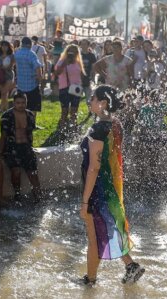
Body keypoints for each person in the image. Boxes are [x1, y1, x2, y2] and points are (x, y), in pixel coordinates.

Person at [79, 85, 145, 286]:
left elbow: (93, 168)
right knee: (106, 229)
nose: (89, 101)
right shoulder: (116, 124)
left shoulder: (98, 129)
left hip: (96, 190)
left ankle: (90, 281)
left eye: (93, 98)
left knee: (94, 237)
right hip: (109, 189)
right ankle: (130, 266)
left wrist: (84, 202)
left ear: (103, 103)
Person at [0, 92, 41, 202]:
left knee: (33, 173)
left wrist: (31, 146)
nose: (21, 105)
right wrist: (1, 152)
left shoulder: (30, 115)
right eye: (18, 103)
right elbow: (3, 136)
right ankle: (17, 195)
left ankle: (38, 197)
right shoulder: (6, 116)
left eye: (23, 102)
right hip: (12, 148)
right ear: (13, 103)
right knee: (16, 172)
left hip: (26, 147)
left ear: (26, 102)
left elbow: (30, 133)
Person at [55, 44, 85, 135]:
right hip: (64, 88)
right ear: (66, 52)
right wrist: (65, 63)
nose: (72, 54)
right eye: (69, 52)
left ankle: (73, 130)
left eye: (74, 52)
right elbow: (57, 73)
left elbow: (82, 74)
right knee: (64, 111)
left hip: (76, 89)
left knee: (74, 111)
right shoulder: (61, 61)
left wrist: (81, 85)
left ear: (77, 53)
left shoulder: (78, 62)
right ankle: (62, 129)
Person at [14, 37, 43, 124]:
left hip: (21, 85)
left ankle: (21, 122)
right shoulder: (31, 54)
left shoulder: (17, 53)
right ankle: (32, 123)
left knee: (21, 106)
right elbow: (37, 67)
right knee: (33, 106)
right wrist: (40, 79)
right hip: (32, 84)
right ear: (30, 44)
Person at [0, 40, 15, 111]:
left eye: (6, 46)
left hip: (9, 75)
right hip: (0, 76)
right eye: (3, 46)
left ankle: (3, 109)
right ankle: (4, 109)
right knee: (3, 94)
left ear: (8, 47)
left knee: (5, 92)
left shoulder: (12, 55)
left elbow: (11, 66)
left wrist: (1, 67)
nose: (4, 47)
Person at [79, 39, 97, 106]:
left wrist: (92, 78)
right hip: (78, 79)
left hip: (88, 79)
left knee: (89, 99)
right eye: (82, 44)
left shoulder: (91, 55)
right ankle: (74, 113)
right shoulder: (78, 55)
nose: (83, 46)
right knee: (76, 98)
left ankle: (90, 112)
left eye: (85, 44)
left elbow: (94, 68)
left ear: (88, 45)